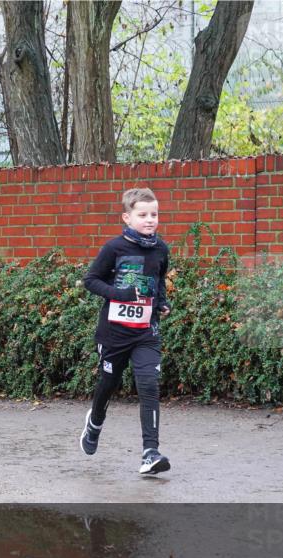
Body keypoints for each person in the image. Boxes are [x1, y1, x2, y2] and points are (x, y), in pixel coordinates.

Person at [79, 187, 172, 475]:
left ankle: (150, 452)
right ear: (127, 217)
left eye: (154, 214)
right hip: (114, 333)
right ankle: (95, 422)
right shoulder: (114, 248)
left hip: (145, 332)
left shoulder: (161, 249)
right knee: (109, 383)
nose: (150, 220)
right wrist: (120, 294)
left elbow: (158, 281)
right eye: (142, 215)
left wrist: (162, 303)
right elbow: (91, 280)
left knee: (149, 384)